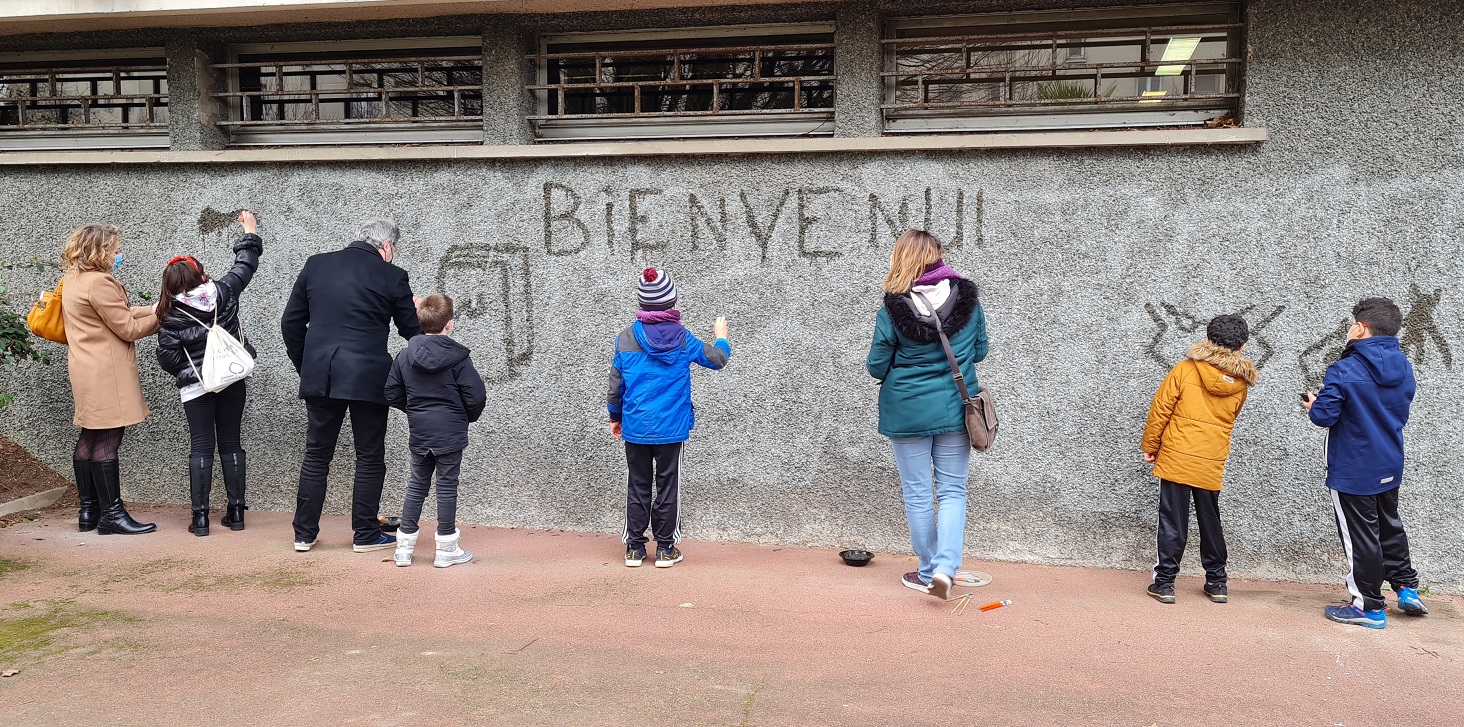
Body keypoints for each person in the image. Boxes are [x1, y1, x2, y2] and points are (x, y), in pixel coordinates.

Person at [281, 218, 423, 553]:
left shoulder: (317, 265)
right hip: (368, 376)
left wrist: (308, 365)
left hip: (321, 374)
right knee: (370, 456)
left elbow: (291, 322)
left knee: (316, 455)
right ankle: (365, 534)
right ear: (386, 246)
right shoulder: (392, 275)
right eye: (395, 249)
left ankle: (303, 534)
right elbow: (410, 332)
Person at [865, 230, 987, 601]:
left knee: (918, 494)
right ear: (938, 257)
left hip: (906, 411)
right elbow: (979, 351)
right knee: (952, 491)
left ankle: (926, 571)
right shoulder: (968, 301)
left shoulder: (892, 308)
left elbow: (876, 366)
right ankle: (947, 569)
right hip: (955, 405)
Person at [1304, 298, 1424, 629]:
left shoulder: (1344, 369)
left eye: (1351, 324)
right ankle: (1407, 588)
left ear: (1362, 327)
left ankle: (1368, 606)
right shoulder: (1403, 366)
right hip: (1389, 461)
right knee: (1389, 526)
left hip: (1354, 467)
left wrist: (1315, 405)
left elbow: (1325, 416)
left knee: (1361, 538)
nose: (1348, 329)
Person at [606, 267, 729, 569]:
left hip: (635, 426)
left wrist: (615, 416)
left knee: (637, 484)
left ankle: (634, 549)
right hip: (671, 429)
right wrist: (722, 337)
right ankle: (665, 549)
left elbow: (615, 385)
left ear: (642, 303)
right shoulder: (684, 340)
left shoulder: (624, 339)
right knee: (668, 485)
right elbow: (718, 359)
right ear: (672, 303)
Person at [155, 210, 263, 537]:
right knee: (231, 440)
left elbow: (167, 357)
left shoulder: (169, 313)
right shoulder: (223, 291)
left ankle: (200, 519)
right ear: (201, 274)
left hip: (196, 387)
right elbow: (245, 265)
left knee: (201, 445)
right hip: (231, 378)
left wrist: (191, 368)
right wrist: (249, 230)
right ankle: (236, 513)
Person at [1140, 315, 1257, 605]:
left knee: (1172, 519)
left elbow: (1160, 411)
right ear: (1242, 346)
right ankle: (1217, 583)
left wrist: (1151, 445)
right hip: (1211, 458)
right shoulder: (1241, 384)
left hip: (1177, 454)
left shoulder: (1184, 369)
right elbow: (1231, 418)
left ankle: (1165, 584)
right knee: (1210, 519)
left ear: (1208, 339)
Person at [59, 223, 161, 535]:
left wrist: (155, 307)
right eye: (116, 250)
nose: (119, 255)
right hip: (107, 372)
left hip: (85, 368)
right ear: (101, 251)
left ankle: (88, 511)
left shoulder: (73, 280)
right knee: (108, 439)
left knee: (89, 437)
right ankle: (112, 516)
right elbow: (127, 328)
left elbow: (119, 312)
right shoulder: (101, 283)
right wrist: (165, 316)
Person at [384, 294, 487, 568]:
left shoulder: (405, 355)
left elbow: (391, 392)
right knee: (446, 487)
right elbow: (476, 396)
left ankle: (403, 549)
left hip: (420, 431)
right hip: (450, 433)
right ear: (449, 324)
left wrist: (415, 410)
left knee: (416, 485)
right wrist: (465, 417)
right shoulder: (459, 359)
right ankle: (446, 548)